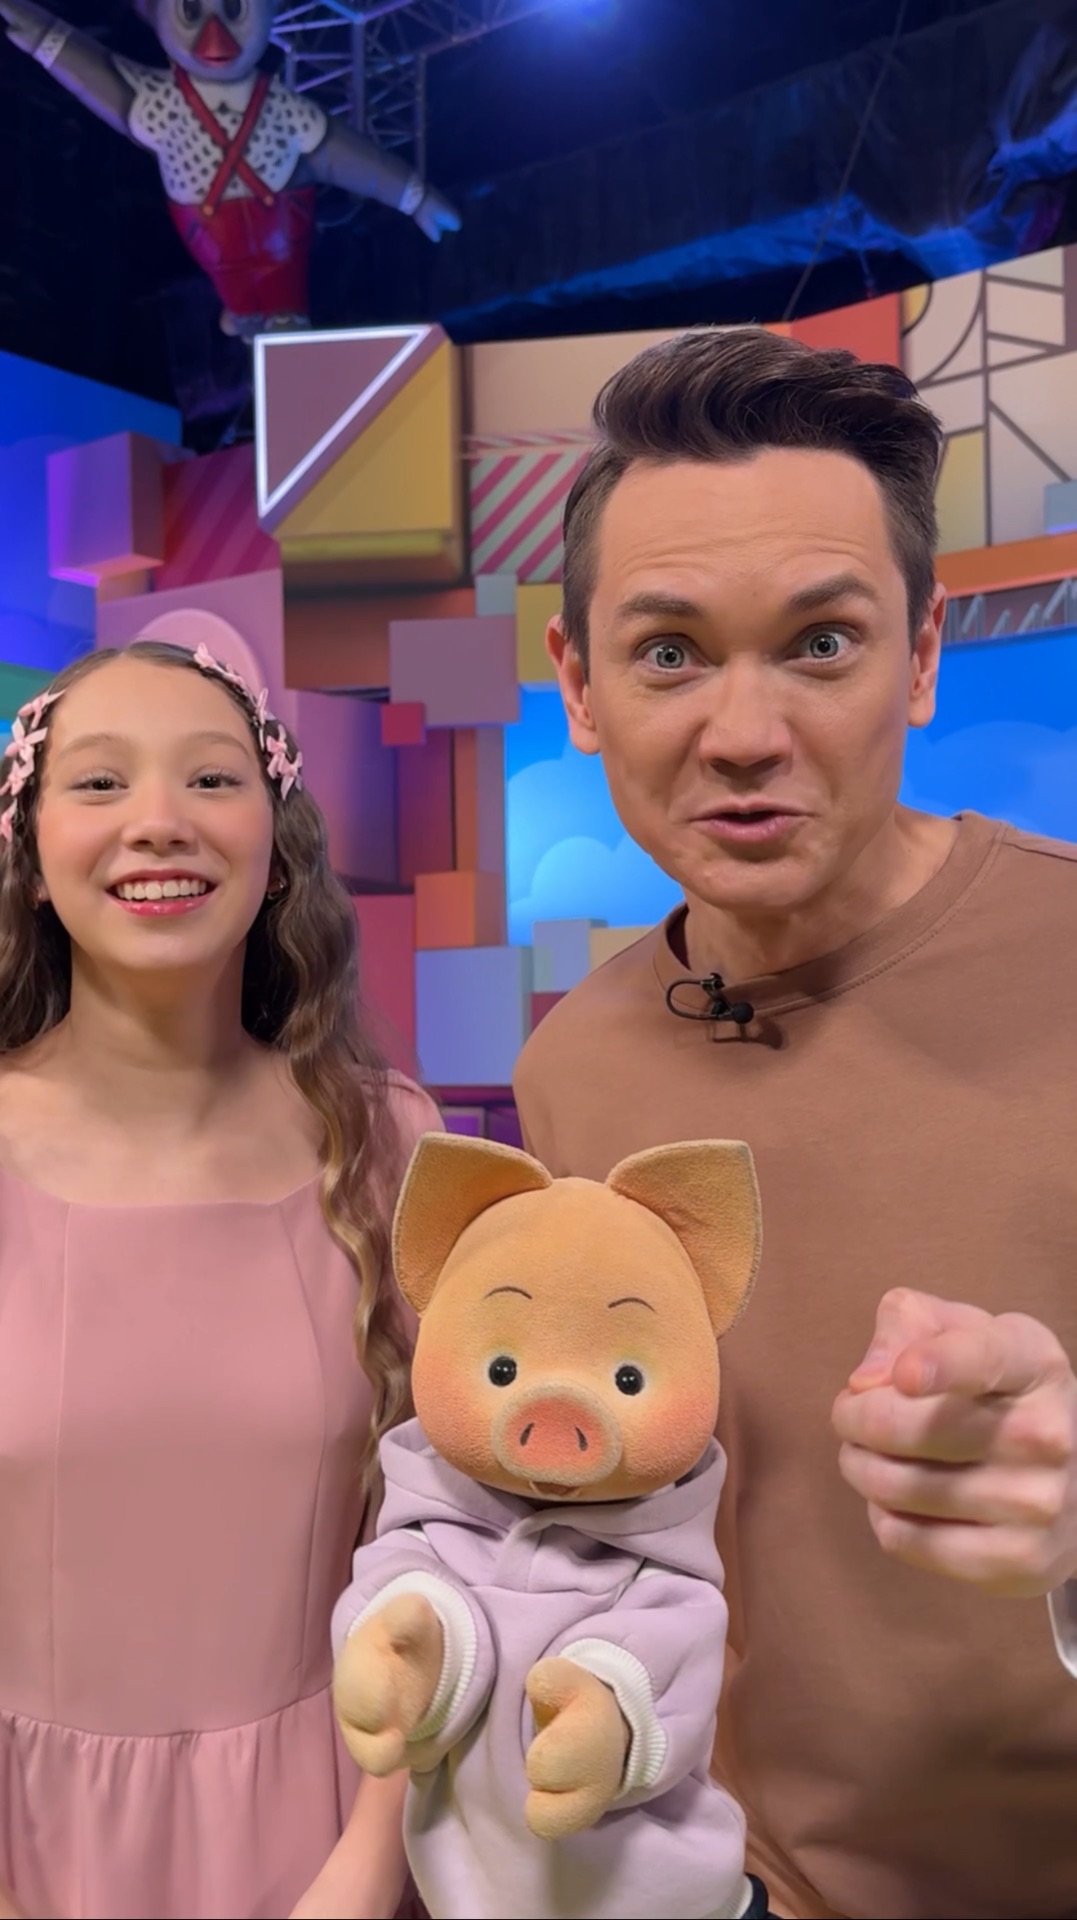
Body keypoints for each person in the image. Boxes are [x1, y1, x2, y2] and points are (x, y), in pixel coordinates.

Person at [512, 327, 1077, 1920]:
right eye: (670, 653)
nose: (744, 731)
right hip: (735, 1876)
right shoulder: (577, 1070)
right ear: (579, 685)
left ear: (921, 656)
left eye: (821, 644)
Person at [0, 638, 441, 1920]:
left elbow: (454, 1544)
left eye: (210, 778)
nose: (159, 822)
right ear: (30, 847)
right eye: (99, 783)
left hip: (340, 1838)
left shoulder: (391, 1143)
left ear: (276, 842)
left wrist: (368, 1866)